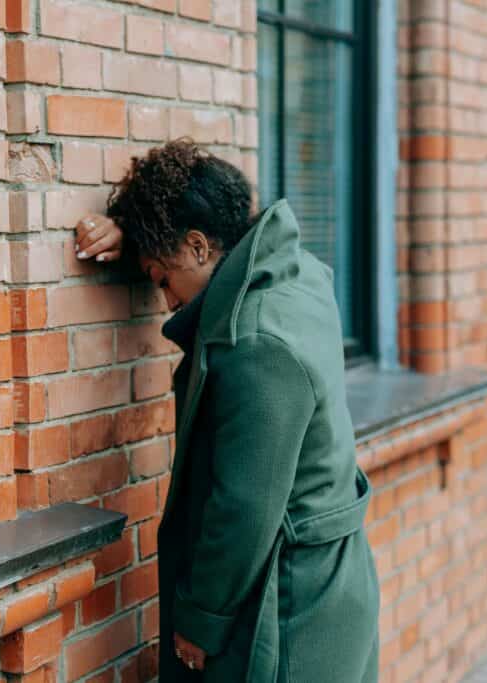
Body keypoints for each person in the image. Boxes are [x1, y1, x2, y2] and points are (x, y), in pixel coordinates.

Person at [74, 140, 379, 683]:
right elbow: (195, 181)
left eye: (162, 279)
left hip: (290, 607)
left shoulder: (256, 340)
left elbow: (244, 506)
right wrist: (137, 231)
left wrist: (200, 620)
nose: (166, 301)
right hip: (332, 584)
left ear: (196, 246)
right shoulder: (295, 273)